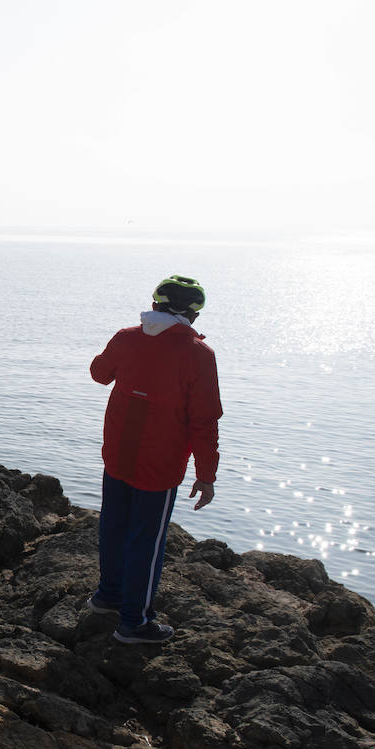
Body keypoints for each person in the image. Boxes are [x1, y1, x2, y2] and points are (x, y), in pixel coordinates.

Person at [87, 275, 222, 643]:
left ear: (156, 303)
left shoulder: (127, 337)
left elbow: (100, 374)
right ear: (194, 314)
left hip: (117, 452)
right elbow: (204, 421)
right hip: (159, 464)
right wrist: (206, 475)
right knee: (147, 542)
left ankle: (108, 596)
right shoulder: (198, 355)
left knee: (113, 526)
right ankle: (134, 622)